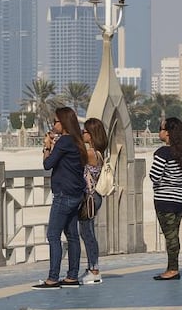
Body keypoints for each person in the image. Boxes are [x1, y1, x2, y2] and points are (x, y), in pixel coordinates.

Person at [32, 107, 88, 290]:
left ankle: (53, 278)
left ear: (63, 123)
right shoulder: (77, 140)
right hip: (76, 194)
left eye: (55, 121)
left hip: (63, 194)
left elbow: (48, 164)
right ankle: (72, 277)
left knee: (53, 235)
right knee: (72, 236)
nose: (52, 124)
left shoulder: (64, 141)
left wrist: (47, 146)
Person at [149, 116, 182, 281]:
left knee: (170, 236)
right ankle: (172, 267)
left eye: (161, 129)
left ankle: (172, 269)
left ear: (168, 133)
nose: (159, 132)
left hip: (165, 200)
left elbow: (154, 176)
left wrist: (166, 180)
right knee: (174, 233)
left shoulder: (162, 153)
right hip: (180, 199)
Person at [78, 117, 108, 285]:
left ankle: (94, 269)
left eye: (85, 131)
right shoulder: (99, 153)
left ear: (92, 134)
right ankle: (92, 268)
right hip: (94, 197)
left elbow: (75, 156)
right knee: (87, 232)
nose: (82, 133)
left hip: (89, 197)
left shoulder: (90, 153)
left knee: (87, 233)